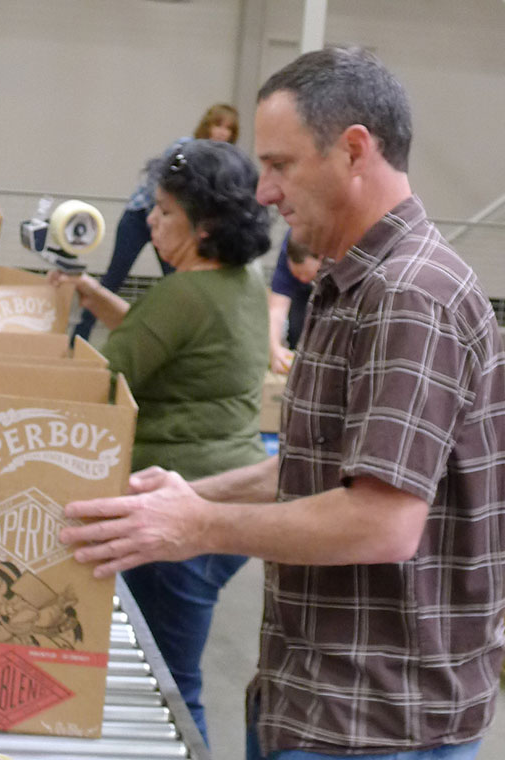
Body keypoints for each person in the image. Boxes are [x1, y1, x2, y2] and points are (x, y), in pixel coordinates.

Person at [58, 46, 505, 760]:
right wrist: (182, 501)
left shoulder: (409, 298)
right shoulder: (349, 285)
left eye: (281, 165)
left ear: (354, 150)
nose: (264, 193)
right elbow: (312, 467)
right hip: (313, 692)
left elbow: (381, 521)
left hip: (376, 723)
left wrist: (199, 528)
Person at [0, 138, 271, 744]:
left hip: (178, 502)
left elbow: (95, 382)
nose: (150, 221)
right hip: (234, 490)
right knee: (175, 675)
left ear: (204, 227)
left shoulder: (182, 295)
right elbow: (170, 340)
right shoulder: (241, 280)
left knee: (169, 687)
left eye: (165, 212)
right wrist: (95, 294)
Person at [72, 103, 240, 341]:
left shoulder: (224, 162)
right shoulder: (185, 147)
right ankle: (78, 337)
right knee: (114, 278)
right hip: (139, 216)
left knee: (178, 282)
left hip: (176, 227)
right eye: (218, 125)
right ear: (207, 125)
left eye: (229, 129)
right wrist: (161, 216)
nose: (223, 132)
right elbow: (157, 181)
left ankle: (177, 338)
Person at [267, 230, 320, 373]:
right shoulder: (289, 248)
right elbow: (277, 308)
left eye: (307, 275)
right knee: (297, 329)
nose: (303, 279)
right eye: (298, 274)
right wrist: (274, 348)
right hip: (300, 296)